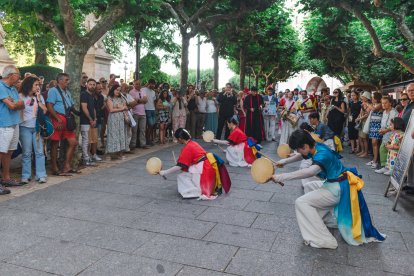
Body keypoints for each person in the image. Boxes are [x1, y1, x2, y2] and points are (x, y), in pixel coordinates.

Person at [272, 130, 386, 249]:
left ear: (305, 146)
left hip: (338, 189)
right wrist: (284, 162)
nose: (297, 152)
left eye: (297, 149)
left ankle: (324, 240)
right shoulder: (316, 146)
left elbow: (310, 172)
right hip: (338, 184)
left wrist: (282, 177)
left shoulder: (322, 154)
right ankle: (325, 220)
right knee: (309, 186)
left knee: (301, 202)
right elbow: (302, 155)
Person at [159, 128, 230, 199]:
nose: (177, 141)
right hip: (207, 166)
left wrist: (165, 172)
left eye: (177, 139)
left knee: (182, 176)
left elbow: (179, 166)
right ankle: (196, 189)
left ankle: (193, 192)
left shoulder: (188, 148)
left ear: (180, 139)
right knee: (185, 173)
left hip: (204, 169)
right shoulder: (193, 143)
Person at [46, 73, 79, 176]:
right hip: (58, 119)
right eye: (66, 80)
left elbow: (71, 106)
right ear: (59, 80)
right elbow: (49, 106)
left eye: (68, 80)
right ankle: (55, 168)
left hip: (67, 119)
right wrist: (57, 119)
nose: (68, 82)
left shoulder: (67, 92)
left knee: (73, 142)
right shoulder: (53, 90)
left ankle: (66, 166)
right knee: (55, 144)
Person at [19, 76, 48, 184]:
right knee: (26, 152)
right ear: (29, 85)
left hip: (37, 128)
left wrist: (38, 98)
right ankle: (25, 175)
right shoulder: (21, 96)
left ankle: (41, 175)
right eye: (36, 85)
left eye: (38, 85)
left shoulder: (38, 97)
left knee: (39, 152)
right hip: (24, 127)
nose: (37, 87)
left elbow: (44, 110)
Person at [0, 65, 25, 192]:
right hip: (4, 125)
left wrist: (16, 103)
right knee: (1, 152)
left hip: (14, 124)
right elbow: (12, 106)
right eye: (18, 74)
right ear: (11, 75)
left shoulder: (13, 89)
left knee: (9, 152)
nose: (19, 77)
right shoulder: (1, 86)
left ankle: (6, 178)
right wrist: (16, 104)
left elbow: (21, 104)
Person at [375, 96, 398, 174]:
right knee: (383, 149)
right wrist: (381, 130)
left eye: (385, 103)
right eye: (382, 103)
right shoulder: (384, 112)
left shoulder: (394, 112)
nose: (383, 105)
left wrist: (385, 130)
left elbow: (394, 125)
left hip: (392, 135)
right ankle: (385, 167)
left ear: (390, 103)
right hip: (385, 135)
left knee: (391, 152)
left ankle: (390, 169)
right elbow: (383, 123)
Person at [106, 84, 129, 160]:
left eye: (119, 90)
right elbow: (111, 110)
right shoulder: (110, 98)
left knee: (121, 135)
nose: (118, 91)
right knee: (113, 135)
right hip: (113, 119)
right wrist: (121, 108)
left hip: (121, 119)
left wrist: (125, 115)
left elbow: (126, 108)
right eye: (116, 90)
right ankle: (110, 153)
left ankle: (120, 153)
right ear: (113, 90)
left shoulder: (122, 98)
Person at [80, 78, 99, 166]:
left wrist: (94, 119)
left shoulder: (92, 95)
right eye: (90, 84)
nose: (92, 86)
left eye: (94, 84)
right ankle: (85, 158)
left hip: (91, 121)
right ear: (87, 85)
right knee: (85, 140)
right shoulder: (83, 94)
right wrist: (91, 119)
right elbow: (84, 108)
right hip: (84, 121)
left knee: (90, 140)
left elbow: (93, 109)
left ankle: (88, 157)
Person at [365, 92, 383, 169]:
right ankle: (374, 159)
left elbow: (374, 109)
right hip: (373, 125)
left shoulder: (380, 104)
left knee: (375, 142)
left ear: (377, 98)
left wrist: (368, 104)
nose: (372, 99)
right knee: (373, 143)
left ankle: (376, 160)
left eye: (373, 98)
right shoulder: (374, 104)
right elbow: (368, 112)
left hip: (377, 125)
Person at [129, 80, 148, 149]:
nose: (138, 85)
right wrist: (141, 100)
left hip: (143, 113)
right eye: (136, 84)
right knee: (134, 130)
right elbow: (132, 102)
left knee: (142, 130)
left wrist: (138, 100)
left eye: (139, 84)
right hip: (135, 113)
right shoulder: (131, 92)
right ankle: (133, 144)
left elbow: (146, 101)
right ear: (134, 85)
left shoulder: (143, 91)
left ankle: (143, 144)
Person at [355, 91, 372, 158]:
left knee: (364, 138)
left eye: (364, 96)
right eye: (362, 96)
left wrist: (359, 119)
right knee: (360, 138)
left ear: (367, 97)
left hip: (365, 122)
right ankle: (362, 150)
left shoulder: (369, 105)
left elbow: (366, 115)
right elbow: (360, 113)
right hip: (361, 122)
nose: (362, 97)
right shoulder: (363, 103)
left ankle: (366, 152)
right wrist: (358, 117)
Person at [143, 79, 157, 146]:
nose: (153, 85)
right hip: (147, 109)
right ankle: (147, 140)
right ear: (148, 83)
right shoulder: (144, 89)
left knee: (152, 125)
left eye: (154, 84)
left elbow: (154, 101)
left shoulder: (153, 92)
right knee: (149, 125)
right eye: (152, 84)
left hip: (152, 109)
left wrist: (155, 109)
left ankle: (149, 139)